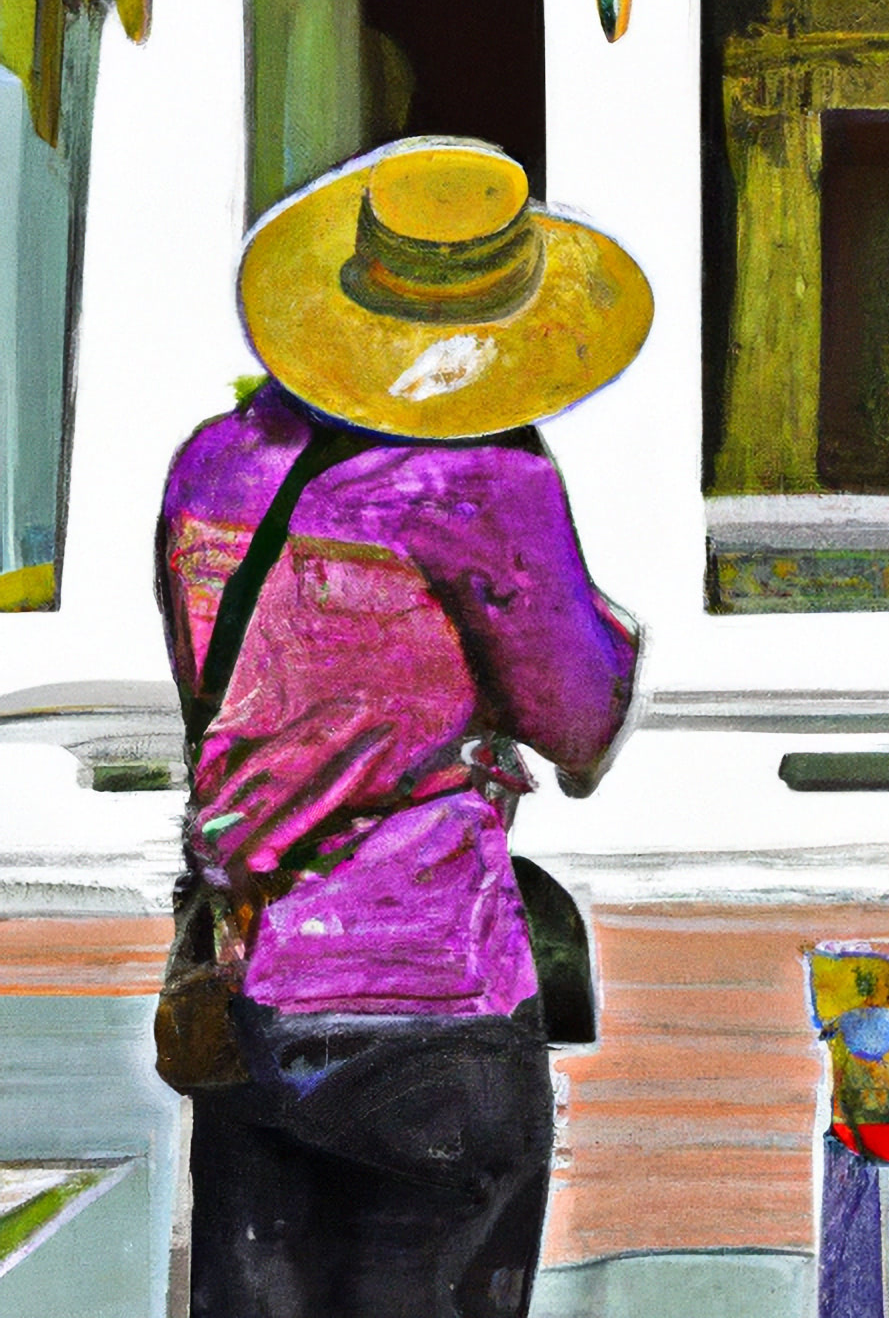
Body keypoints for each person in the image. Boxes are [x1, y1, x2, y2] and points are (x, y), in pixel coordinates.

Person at [156, 137, 653, 1318]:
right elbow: (579, 722)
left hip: (249, 989)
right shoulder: (485, 486)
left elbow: (220, 690)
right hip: (433, 996)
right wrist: (606, 631)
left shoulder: (213, 464)